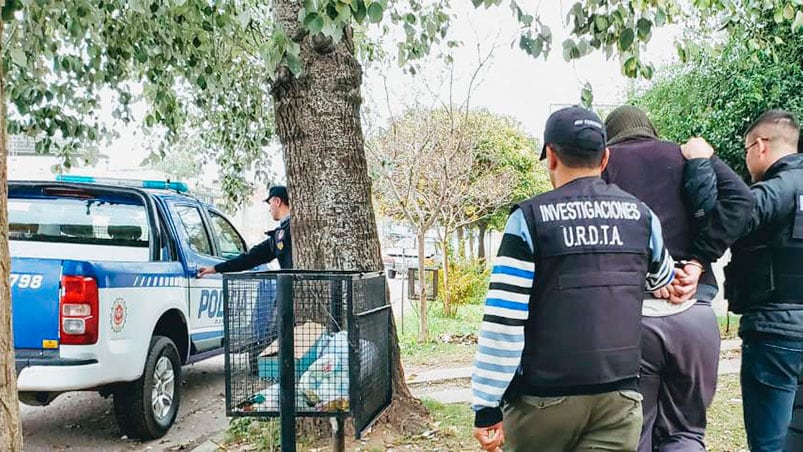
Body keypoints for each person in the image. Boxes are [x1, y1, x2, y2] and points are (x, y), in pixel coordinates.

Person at [471, 106, 679, 452]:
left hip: (543, 401)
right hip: (619, 398)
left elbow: (503, 320)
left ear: (551, 156)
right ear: (605, 157)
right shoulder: (643, 217)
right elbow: (663, 277)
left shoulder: (529, 220)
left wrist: (486, 404)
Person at [602, 105, 753, 451]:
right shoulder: (685, 155)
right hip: (693, 316)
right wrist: (699, 261)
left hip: (632, 320)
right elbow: (741, 200)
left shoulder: (603, 164)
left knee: (633, 434)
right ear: (652, 130)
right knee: (684, 433)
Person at [682, 110, 803, 452]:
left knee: (770, 444)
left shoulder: (777, 189)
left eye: (747, 149)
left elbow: (722, 223)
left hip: (776, 333)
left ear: (760, 145)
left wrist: (703, 164)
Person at [197, 185, 292, 276]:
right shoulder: (279, 234)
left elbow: (251, 258)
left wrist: (215, 269)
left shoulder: (287, 231)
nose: (269, 210)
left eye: (270, 203)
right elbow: (250, 258)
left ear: (277, 201)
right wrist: (216, 268)